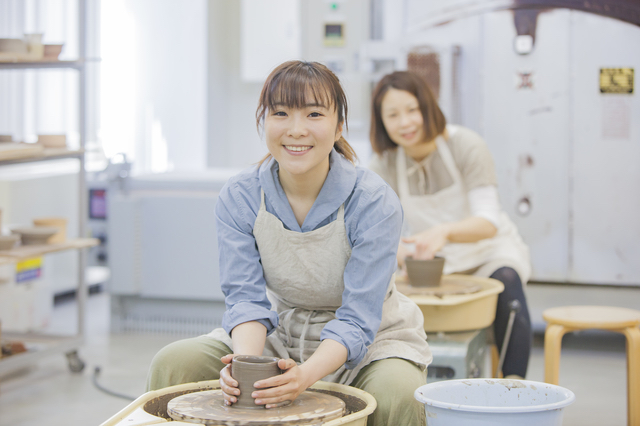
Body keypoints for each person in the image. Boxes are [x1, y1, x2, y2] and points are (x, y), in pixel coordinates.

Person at [146, 61, 432, 426]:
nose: (296, 130)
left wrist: (305, 375)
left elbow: (358, 319)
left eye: (314, 114)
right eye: (280, 113)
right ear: (265, 120)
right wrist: (244, 367)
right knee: (175, 363)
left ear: (339, 125)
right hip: (280, 335)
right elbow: (246, 299)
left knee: (398, 390)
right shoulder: (241, 195)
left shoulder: (373, 201)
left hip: (370, 343)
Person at [368, 71, 532, 379]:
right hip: (432, 264)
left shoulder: (464, 145)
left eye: (412, 110)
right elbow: (375, 232)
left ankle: (513, 387)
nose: (405, 123)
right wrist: (403, 254)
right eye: (392, 115)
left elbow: (488, 221)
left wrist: (444, 232)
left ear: (428, 107)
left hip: (487, 251)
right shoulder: (384, 164)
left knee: (508, 282)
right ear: (381, 122)